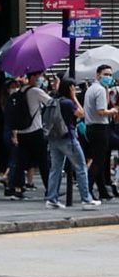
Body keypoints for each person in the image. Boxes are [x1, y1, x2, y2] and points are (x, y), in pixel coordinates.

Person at [47, 77, 101, 210]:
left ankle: (52, 199)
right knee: (81, 167)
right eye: (73, 88)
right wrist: (74, 97)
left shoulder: (54, 100)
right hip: (68, 137)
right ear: (70, 88)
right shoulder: (68, 103)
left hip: (54, 138)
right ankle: (86, 199)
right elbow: (82, 113)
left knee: (56, 169)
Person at [8, 70, 52, 200]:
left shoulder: (20, 91)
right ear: (32, 77)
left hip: (22, 132)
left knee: (21, 162)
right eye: (39, 77)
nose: (41, 79)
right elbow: (51, 103)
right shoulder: (36, 91)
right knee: (43, 161)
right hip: (35, 131)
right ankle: (50, 189)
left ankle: (17, 189)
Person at [83, 64, 117, 201]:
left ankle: (102, 191)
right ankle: (88, 190)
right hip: (99, 128)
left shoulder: (92, 89)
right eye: (106, 74)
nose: (108, 77)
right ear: (98, 75)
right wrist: (113, 111)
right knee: (98, 161)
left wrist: (107, 89)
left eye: (110, 74)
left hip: (92, 128)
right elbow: (101, 111)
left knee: (100, 161)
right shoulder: (99, 90)